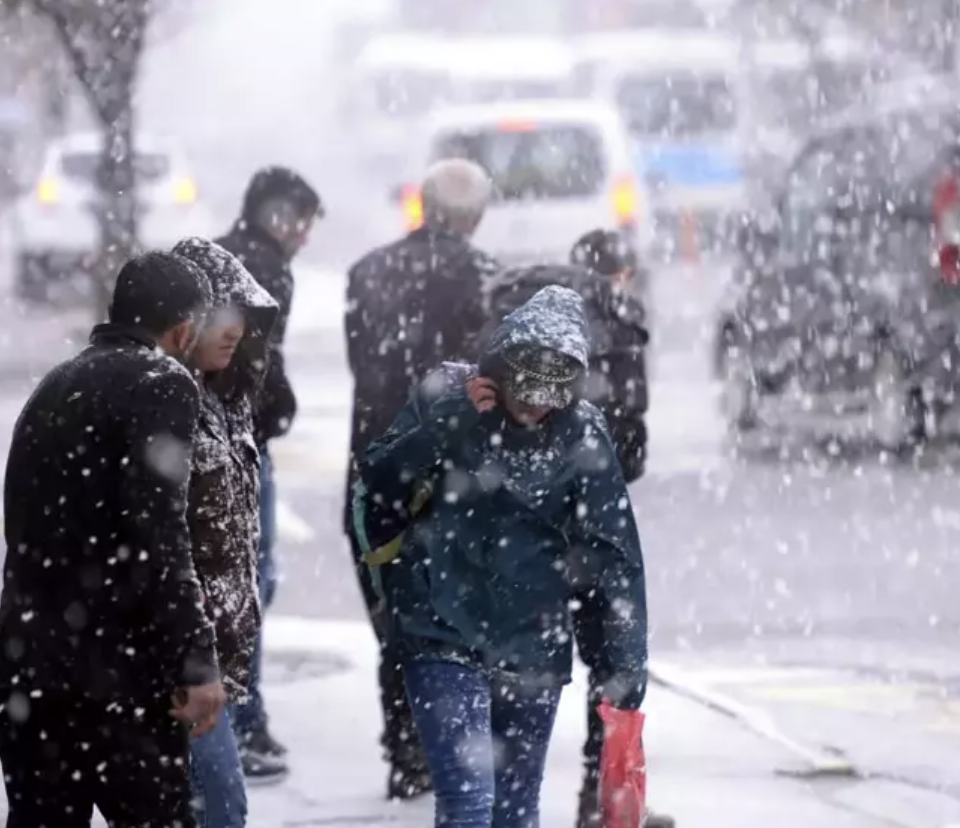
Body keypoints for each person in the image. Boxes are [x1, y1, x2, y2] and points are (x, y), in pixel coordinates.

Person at [353, 285, 649, 828]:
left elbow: (615, 557)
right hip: (442, 631)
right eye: (526, 390)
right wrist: (447, 420)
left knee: (515, 813)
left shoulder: (582, 432)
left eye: (550, 395)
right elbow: (380, 482)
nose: (536, 405)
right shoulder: (448, 392)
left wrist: (625, 670)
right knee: (468, 807)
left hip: (533, 643)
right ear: (502, 364)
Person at [0, 251, 223, 827]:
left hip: (26, 669)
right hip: (111, 680)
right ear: (184, 328)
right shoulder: (163, 382)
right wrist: (196, 662)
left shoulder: (56, 383)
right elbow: (160, 537)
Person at [483, 229, 663, 828]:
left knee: (517, 663)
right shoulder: (617, 315)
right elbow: (633, 422)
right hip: (589, 518)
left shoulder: (518, 309)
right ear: (619, 274)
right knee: (607, 654)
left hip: (518, 524)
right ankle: (598, 792)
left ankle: (486, 788)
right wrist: (601, 473)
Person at [343, 157, 498, 799]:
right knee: (454, 621)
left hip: (375, 465)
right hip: (452, 469)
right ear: (474, 216)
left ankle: (405, 749)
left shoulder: (367, 272)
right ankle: (447, 749)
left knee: (391, 613)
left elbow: (364, 364)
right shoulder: (485, 280)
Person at [212, 166, 323, 781]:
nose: (304, 236)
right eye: (301, 221)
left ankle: (237, 720)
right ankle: (240, 724)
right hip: (242, 443)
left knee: (232, 582)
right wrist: (280, 411)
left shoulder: (222, 254)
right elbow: (261, 363)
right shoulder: (265, 266)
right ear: (278, 214)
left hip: (216, 438)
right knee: (250, 584)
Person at [172, 237, 282, 823]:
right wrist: (189, 660)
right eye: (219, 313)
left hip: (215, 667)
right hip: (181, 665)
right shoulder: (165, 405)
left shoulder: (228, 401)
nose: (234, 329)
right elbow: (161, 545)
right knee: (221, 808)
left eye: (242, 315)